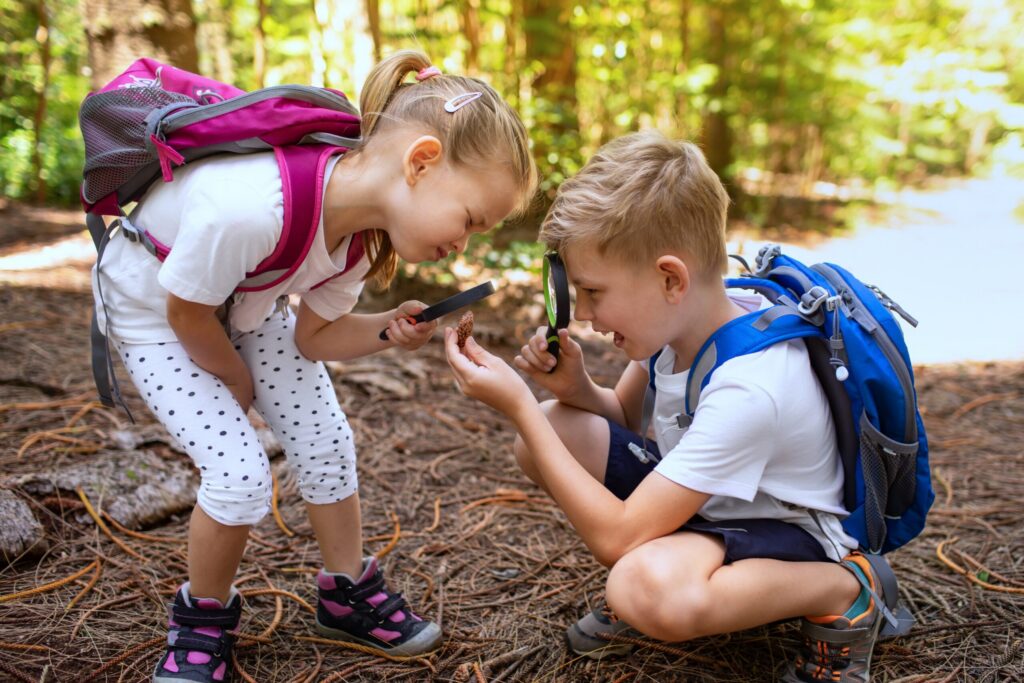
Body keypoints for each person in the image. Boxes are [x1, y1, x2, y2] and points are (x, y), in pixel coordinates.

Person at [91, 49, 536, 683]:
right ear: (421, 162)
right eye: (470, 220)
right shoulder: (249, 208)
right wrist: (237, 383)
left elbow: (317, 336)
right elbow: (186, 313)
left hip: (244, 301)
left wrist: (389, 329)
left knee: (327, 441)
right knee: (240, 474)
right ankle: (201, 620)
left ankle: (344, 592)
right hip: (156, 311)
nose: (463, 243)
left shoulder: (356, 240)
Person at [445, 131, 889, 682]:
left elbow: (617, 537)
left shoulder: (750, 386)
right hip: (715, 506)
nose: (581, 313)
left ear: (670, 278)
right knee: (559, 429)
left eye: (594, 291)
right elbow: (628, 421)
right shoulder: (680, 329)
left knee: (641, 587)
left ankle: (847, 588)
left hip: (784, 529)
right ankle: (682, 558)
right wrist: (578, 389)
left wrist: (520, 405)